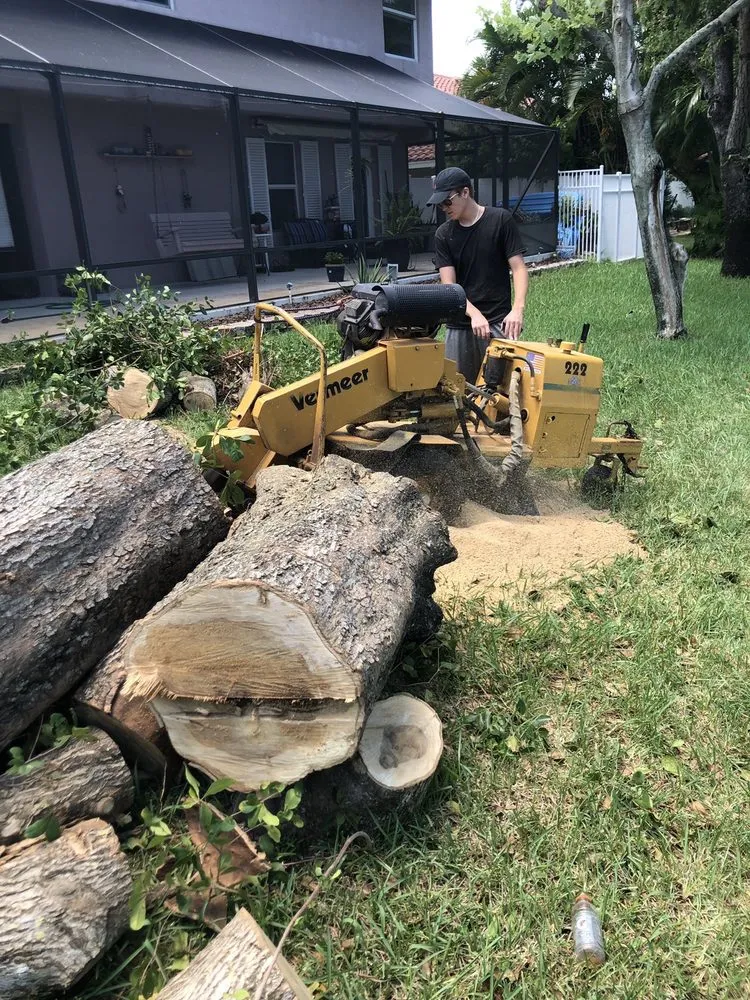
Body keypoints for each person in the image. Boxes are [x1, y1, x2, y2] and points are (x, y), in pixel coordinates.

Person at [429, 166, 529, 384]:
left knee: (505, 390)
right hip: (460, 325)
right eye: (440, 205)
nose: (444, 208)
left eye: (447, 202)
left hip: (498, 321)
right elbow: (449, 286)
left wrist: (517, 310)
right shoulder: (443, 235)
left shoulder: (500, 220)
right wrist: (473, 314)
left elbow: (518, 268)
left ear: (465, 192)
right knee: (457, 389)